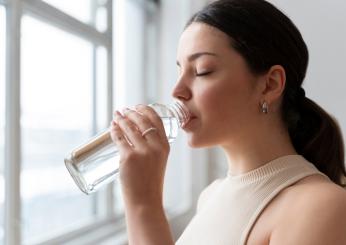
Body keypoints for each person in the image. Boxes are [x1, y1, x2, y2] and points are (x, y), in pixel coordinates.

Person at [110, 0, 346, 244]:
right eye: (180, 70)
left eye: (202, 70)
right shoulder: (210, 195)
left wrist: (143, 205)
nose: (177, 90)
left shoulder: (321, 206)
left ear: (270, 84)